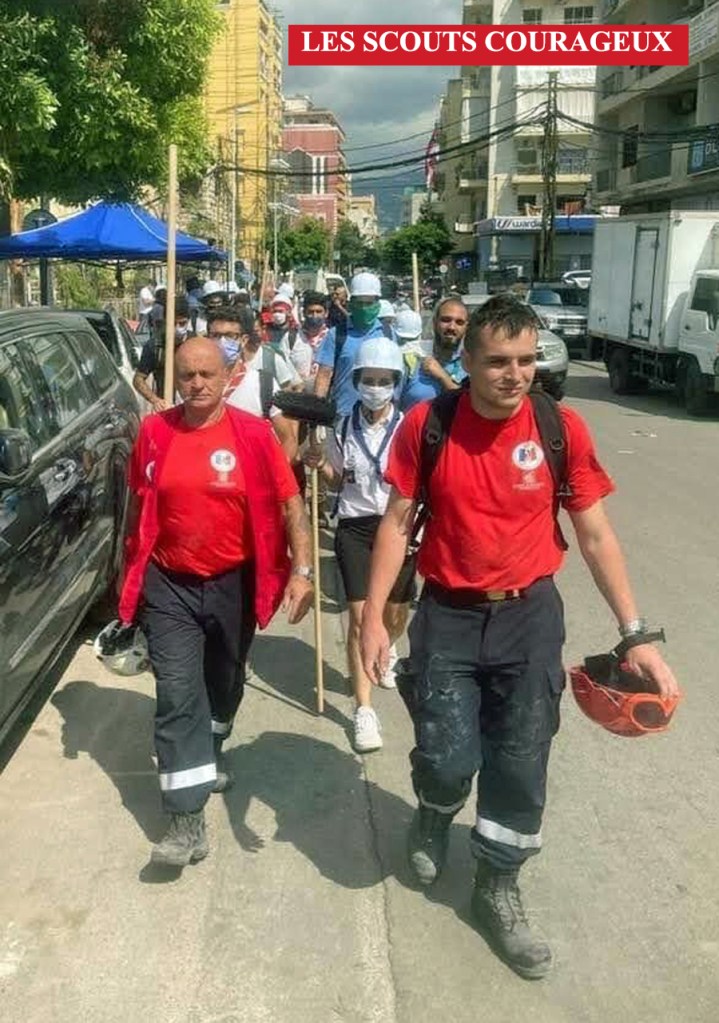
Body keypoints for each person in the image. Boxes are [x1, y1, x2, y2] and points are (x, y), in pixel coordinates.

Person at [359, 295, 679, 980]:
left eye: (527, 360)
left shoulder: (559, 428)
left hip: (529, 617)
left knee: (521, 758)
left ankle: (496, 885)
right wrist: (371, 617)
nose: (515, 375)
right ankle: (435, 811)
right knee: (446, 755)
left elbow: (595, 534)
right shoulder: (429, 424)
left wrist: (634, 635)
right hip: (448, 615)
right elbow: (396, 522)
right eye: (499, 362)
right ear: (467, 361)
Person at [119, 337, 314, 869]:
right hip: (170, 584)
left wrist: (301, 571)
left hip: (234, 583)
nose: (197, 384)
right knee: (177, 694)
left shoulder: (253, 434)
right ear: (175, 379)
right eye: (187, 375)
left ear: (229, 377)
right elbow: (138, 505)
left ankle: (212, 748)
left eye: (208, 374)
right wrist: (129, 572)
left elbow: (290, 502)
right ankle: (186, 821)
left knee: (223, 684)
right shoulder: (155, 432)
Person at [304, 336, 415, 753]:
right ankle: (364, 710)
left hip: (399, 525)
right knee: (359, 617)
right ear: (357, 381)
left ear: (396, 383)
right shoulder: (342, 426)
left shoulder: (409, 428)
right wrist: (319, 463)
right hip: (354, 526)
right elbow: (338, 478)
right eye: (369, 379)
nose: (376, 387)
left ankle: (386, 644)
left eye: (385, 380)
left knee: (393, 613)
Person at [206, 306, 297, 462]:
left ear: (243, 340)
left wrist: (276, 472)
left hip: (251, 472)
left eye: (230, 336)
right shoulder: (196, 385)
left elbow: (288, 440)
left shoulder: (263, 384)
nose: (222, 342)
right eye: (216, 336)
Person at [314, 271, 392, 417]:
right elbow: (324, 375)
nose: (364, 308)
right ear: (351, 303)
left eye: (369, 303)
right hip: (344, 415)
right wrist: (317, 414)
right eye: (359, 303)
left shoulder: (388, 334)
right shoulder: (336, 334)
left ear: (378, 303)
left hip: (380, 418)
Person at [400, 297, 469, 411]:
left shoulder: (472, 362)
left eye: (459, 322)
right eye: (446, 320)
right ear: (435, 322)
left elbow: (468, 405)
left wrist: (443, 377)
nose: (452, 327)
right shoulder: (414, 355)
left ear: (466, 327)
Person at [133, 296, 191, 410]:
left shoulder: (197, 343)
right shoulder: (155, 346)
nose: (177, 328)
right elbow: (138, 379)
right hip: (167, 408)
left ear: (188, 321)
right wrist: (155, 400)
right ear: (165, 321)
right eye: (173, 323)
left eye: (182, 323)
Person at [283, 290, 329, 391]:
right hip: (295, 395)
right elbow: (282, 368)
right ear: (304, 313)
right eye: (311, 312)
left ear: (326, 313)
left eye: (319, 312)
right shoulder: (291, 338)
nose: (315, 316)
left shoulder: (332, 339)